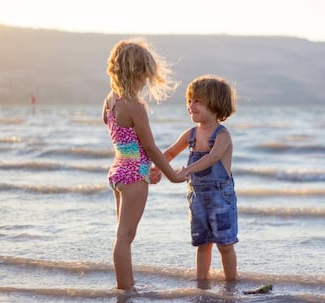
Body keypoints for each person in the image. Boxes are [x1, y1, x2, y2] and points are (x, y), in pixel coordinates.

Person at [102, 38, 187, 290]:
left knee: (123, 236)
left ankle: (124, 288)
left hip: (118, 173)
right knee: (125, 238)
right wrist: (172, 175)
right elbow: (150, 147)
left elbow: (120, 138)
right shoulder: (135, 106)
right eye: (145, 76)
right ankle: (125, 291)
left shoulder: (110, 100)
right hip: (132, 179)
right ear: (138, 73)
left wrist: (143, 167)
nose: (147, 82)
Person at [160, 74, 238, 282]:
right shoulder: (191, 134)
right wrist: (158, 168)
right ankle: (202, 283)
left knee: (225, 244)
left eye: (198, 101)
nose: (191, 106)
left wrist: (187, 170)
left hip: (221, 198)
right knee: (202, 244)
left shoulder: (222, 135)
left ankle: (231, 283)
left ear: (215, 104)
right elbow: (168, 154)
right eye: (189, 101)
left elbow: (213, 158)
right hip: (197, 198)